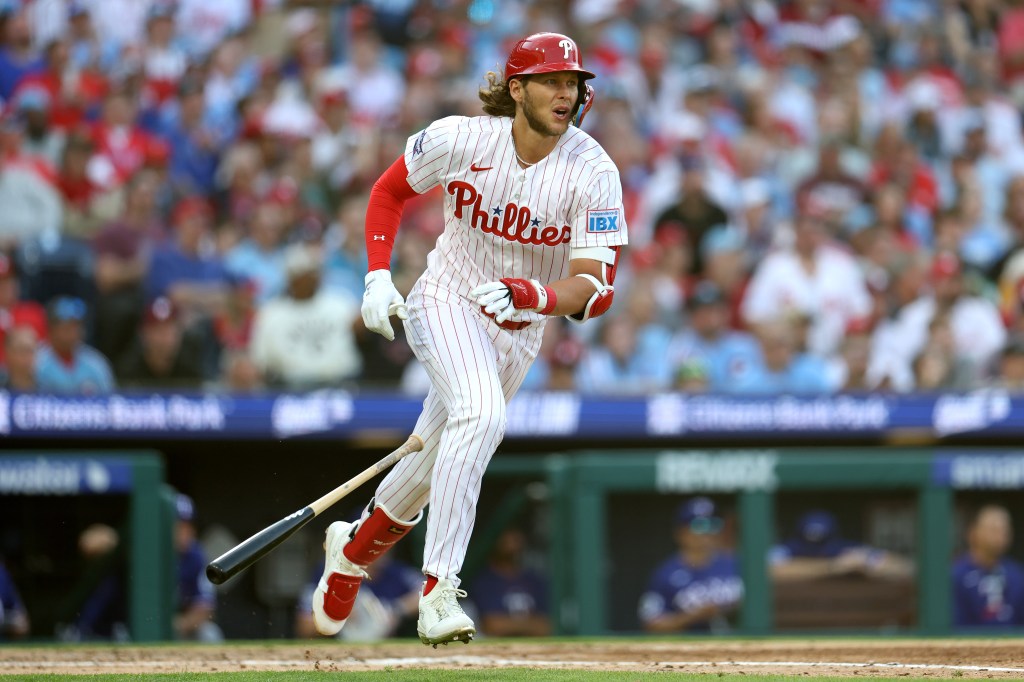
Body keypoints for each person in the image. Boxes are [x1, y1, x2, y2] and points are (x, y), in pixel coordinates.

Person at [310, 32, 626, 647]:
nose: (568, 93)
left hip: (518, 326)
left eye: (575, 83)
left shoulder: (594, 170)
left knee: (432, 464)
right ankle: (439, 590)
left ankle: (351, 549)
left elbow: (597, 288)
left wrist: (531, 295)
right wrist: (376, 277)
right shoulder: (462, 137)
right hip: (447, 298)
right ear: (517, 89)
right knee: (480, 417)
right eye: (553, 82)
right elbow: (389, 191)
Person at [249, 242, 362, 388]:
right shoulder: (271, 313)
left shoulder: (341, 303)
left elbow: (361, 334)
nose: (313, 278)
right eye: (306, 274)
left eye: (315, 272)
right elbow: (260, 360)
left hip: (340, 384)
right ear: (292, 279)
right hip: (288, 388)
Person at [638, 497, 742, 633]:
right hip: (690, 648)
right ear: (680, 533)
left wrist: (731, 608)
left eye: (714, 524)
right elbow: (651, 624)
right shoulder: (666, 574)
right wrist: (691, 617)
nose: (708, 532)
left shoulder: (736, 564)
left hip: (738, 644)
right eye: (700, 525)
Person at [770, 510, 914, 582]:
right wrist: (832, 567)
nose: (817, 552)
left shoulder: (845, 549)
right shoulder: (786, 550)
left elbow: (906, 568)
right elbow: (766, 571)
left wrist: (866, 563)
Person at [470, 527, 551, 638]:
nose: (512, 542)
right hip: (493, 647)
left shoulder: (534, 580)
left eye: (516, 537)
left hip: (533, 647)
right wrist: (529, 624)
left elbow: (544, 626)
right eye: (507, 537)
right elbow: (492, 626)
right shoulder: (485, 581)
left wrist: (509, 624)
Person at [952, 505, 1024, 627]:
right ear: (973, 533)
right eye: (993, 529)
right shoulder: (957, 575)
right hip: (969, 644)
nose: (1000, 535)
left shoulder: (1016, 574)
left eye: (1004, 530)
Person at [35, 296, 115, 394]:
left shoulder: (96, 363)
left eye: (77, 327)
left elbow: (109, 400)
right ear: (51, 330)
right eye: (67, 328)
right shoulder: (37, 363)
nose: (74, 333)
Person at [172, 494, 223, 641]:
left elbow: (205, 608)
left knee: (210, 634)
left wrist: (178, 624)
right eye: (179, 527)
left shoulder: (196, 556)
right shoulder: (147, 553)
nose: (185, 533)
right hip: (142, 628)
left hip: (178, 625)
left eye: (189, 526)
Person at [0, 556, 30, 639]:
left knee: (21, 622)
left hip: (3, 620)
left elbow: (17, 606)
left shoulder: (2, 573)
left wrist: (21, 615)